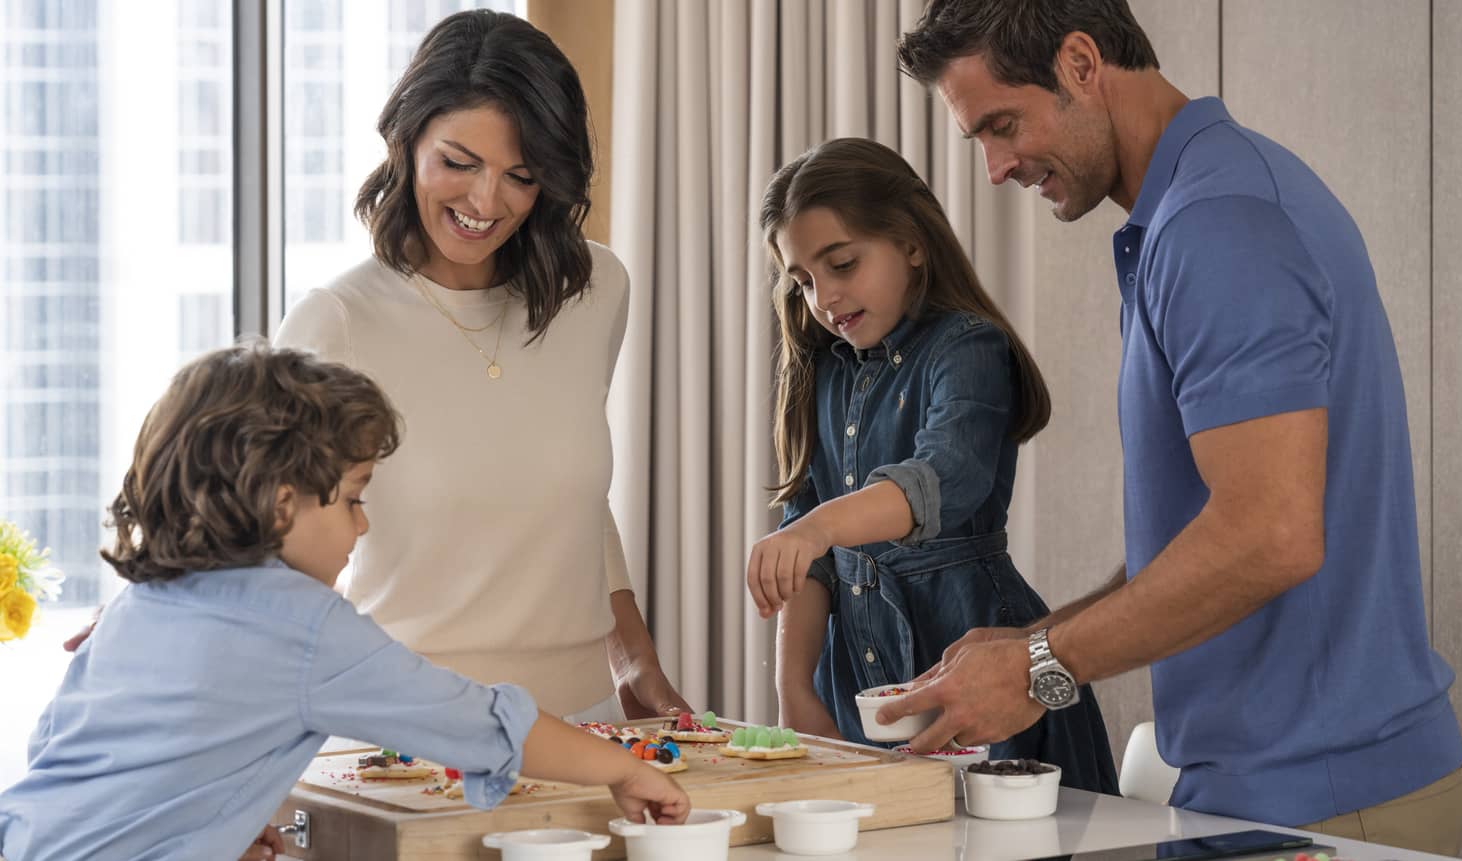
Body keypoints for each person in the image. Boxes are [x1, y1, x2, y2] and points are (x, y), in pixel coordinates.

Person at [881, 0, 1462, 854]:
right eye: (979, 140)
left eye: (1001, 125)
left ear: (1081, 63)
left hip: (1324, 800)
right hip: (1265, 791)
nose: (997, 168)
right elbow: (1211, 528)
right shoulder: (1201, 206)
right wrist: (1031, 640)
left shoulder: (1217, 223)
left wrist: (1043, 670)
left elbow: (1269, 534)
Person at [0, 343, 689, 861]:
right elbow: (479, 721)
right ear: (279, 506)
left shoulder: (143, 600)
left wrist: (209, 831)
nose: (362, 524)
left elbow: (67, 753)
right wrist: (627, 769)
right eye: (355, 498)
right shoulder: (302, 626)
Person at [273, 9, 686, 722]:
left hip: (587, 729)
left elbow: (576, 501)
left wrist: (636, 658)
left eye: (520, 176)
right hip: (407, 732)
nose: (485, 201)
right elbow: (270, 541)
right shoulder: (334, 323)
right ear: (406, 141)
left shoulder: (596, 290)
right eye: (458, 163)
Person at [747, 137, 1118, 793]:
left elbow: (943, 477)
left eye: (842, 264)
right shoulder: (819, 373)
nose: (824, 297)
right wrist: (793, 687)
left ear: (911, 243)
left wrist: (820, 528)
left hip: (987, 680)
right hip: (862, 690)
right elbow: (808, 549)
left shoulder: (968, 347)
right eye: (803, 281)